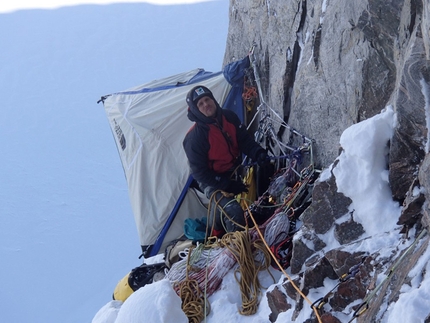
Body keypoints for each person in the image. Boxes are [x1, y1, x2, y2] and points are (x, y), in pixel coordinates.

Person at [183, 85, 267, 236]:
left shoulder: (229, 117)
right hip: (211, 180)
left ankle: (263, 209)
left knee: (266, 168)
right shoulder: (194, 139)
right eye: (200, 104)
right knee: (233, 211)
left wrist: (258, 153)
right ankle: (233, 244)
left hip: (233, 170)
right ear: (195, 110)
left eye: (207, 99)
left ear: (213, 99)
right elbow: (201, 173)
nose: (206, 104)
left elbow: (244, 141)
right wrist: (227, 185)